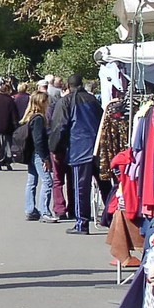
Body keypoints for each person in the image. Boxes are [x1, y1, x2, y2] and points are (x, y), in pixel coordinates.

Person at [49, 74, 103, 234]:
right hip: (97, 147)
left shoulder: (66, 102)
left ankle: (82, 223)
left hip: (79, 148)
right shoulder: (93, 100)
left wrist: (55, 149)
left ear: (68, 86)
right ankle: (112, 219)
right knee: (105, 185)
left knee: (81, 188)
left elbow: (59, 126)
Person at [21, 91, 57, 222]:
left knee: (32, 182)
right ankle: (44, 211)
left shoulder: (29, 117)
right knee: (47, 181)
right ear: (42, 102)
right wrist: (45, 158)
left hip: (30, 153)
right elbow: (39, 140)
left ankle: (30, 209)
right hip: (38, 154)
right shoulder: (39, 119)